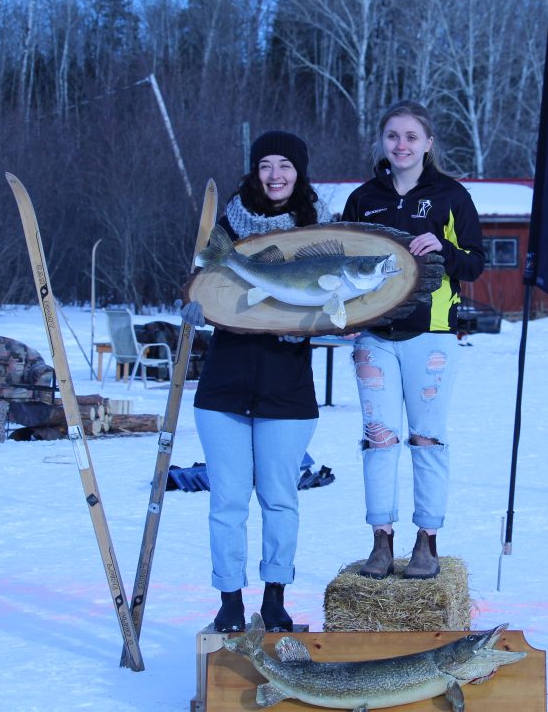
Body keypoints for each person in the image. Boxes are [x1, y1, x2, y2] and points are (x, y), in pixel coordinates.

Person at [181, 130, 331, 632]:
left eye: (285, 166)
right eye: (266, 165)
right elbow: (205, 285)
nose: (275, 175)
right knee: (227, 497)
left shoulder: (319, 228)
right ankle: (228, 600)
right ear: (254, 169)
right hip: (224, 383)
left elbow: (338, 306)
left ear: (299, 172)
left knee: (279, 496)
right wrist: (194, 302)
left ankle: (274, 596)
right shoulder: (226, 226)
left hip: (287, 386)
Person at [341, 100, 485, 580]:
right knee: (378, 440)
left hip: (433, 335)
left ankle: (428, 540)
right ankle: (381, 541)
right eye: (392, 136)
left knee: (427, 440)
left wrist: (442, 247)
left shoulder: (450, 196)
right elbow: (344, 263)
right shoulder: (364, 198)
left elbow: (475, 265)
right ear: (382, 142)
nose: (401, 145)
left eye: (411, 137)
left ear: (428, 144)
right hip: (374, 337)